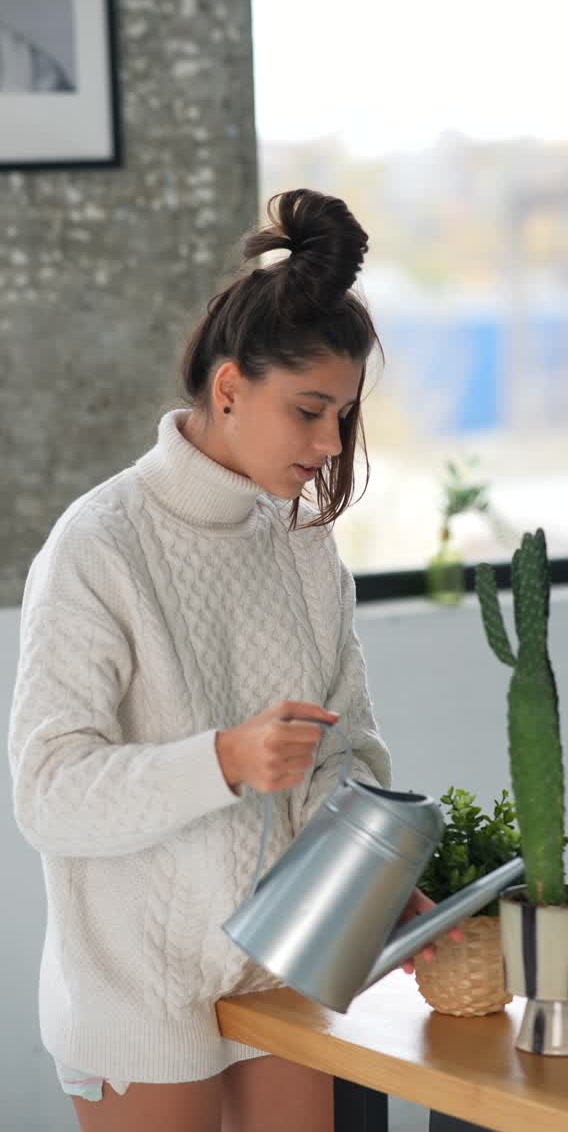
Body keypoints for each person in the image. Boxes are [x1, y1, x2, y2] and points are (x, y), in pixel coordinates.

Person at [8, 189, 459, 1132]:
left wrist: (374, 880)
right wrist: (221, 759)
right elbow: (47, 793)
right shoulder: (100, 545)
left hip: (281, 966)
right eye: (309, 410)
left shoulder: (304, 549)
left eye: (343, 413)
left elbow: (347, 753)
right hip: (136, 989)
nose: (331, 442)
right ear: (227, 388)